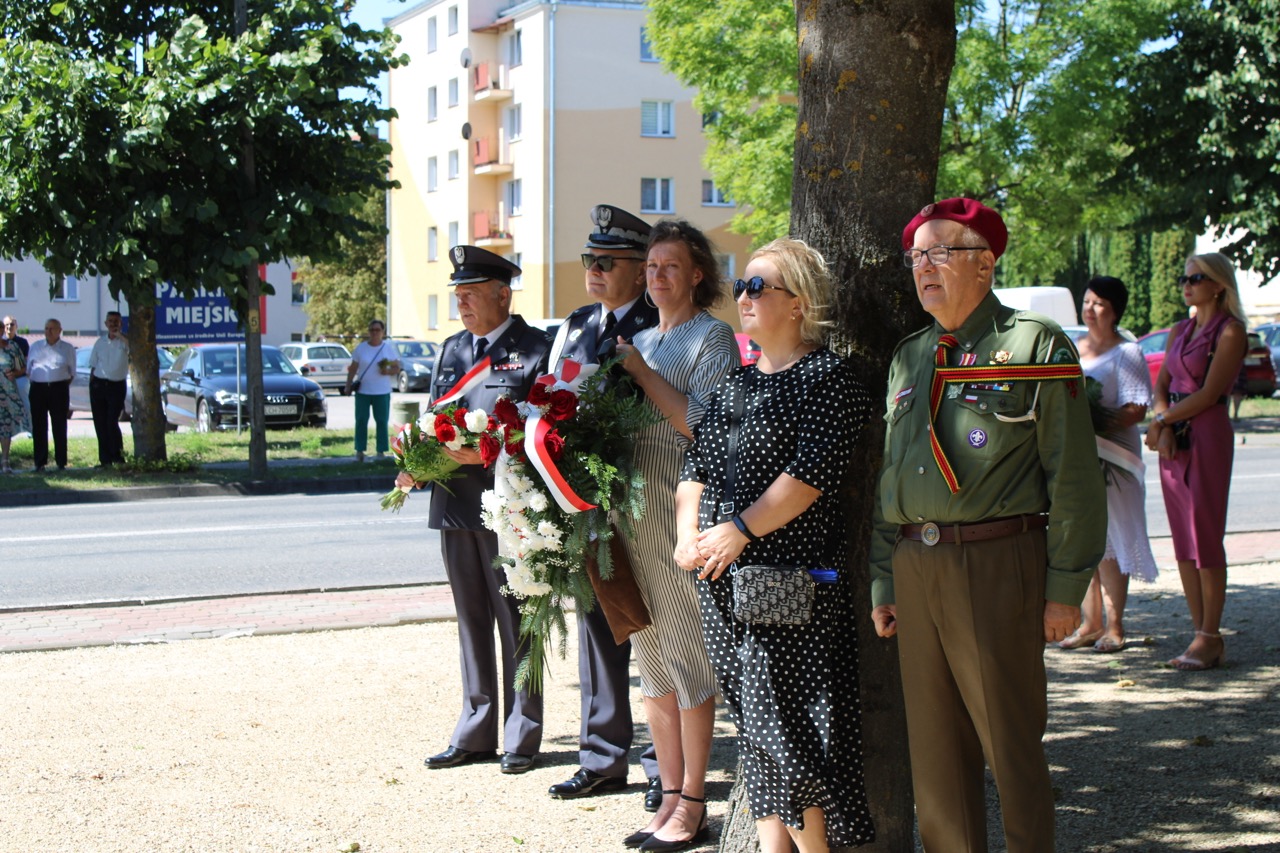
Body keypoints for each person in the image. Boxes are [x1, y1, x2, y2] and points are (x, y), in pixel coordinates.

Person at [870, 198, 1106, 852]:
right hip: (918, 565)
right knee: (937, 759)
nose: (924, 267)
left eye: (941, 252)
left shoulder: (1032, 342)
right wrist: (884, 579)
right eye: (917, 255)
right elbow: (895, 478)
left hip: (999, 560)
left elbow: (1074, 475)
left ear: (986, 262)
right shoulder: (911, 356)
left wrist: (1065, 586)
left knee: (1010, 745)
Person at [675, 238, 876, 852]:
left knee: (788, 730)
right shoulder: (732, 385)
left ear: (800, 303)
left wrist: (737, 531)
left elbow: (808, 480)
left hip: (789, 586)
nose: (744, 297)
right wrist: (688, 538)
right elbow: (694, 472)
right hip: (720, 581)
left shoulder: (830, 380)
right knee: (754, 727)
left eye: (759, 287)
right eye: (741, 286)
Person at [397, 245, 551, 774]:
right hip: (455, 505)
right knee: (471, 621)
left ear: (502, 294)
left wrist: (489, 451)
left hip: (508, 505)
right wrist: (415, 460)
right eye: (457, 294)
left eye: (470, 294)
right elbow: (438, 415)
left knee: (516, 622)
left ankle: (522, 734)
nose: (461, 303)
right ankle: (476, 728)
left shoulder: (535, 348)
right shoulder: (452, 349)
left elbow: (544, 430)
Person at [613, 219, 739, 851]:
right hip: (634, 518)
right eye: (651, 266)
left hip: (681, 516)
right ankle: (666, 795)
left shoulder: (711, 338)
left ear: (697, 275)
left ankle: (695, 800)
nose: (657, 275)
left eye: (670, 266)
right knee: (653, 664)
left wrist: (638, 373)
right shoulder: (638, 338)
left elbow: (703, 425)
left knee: (689, 660)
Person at [544, 205, 661, 808]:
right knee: (597, 626)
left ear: (641, 271)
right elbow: (549, 397)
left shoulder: (655, 324)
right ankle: (602, 757)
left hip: (644, 498)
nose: (593, 269)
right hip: (585, 499)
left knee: (657, 633)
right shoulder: (575, 324)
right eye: (590, 258)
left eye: (607, 261)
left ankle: (663, 766)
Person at [1144, 252, 1247, 672]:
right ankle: (1199, 633)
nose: (1187, 284)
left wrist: (1164, 420)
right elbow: (1162, 384)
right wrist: (1162, 421)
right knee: (1182, 540)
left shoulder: (1231, 331)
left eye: (1197, 278)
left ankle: (1211, 634)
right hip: (1175, 436)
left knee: (1205, 534)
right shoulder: (1180, 330)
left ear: (1219, 284)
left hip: (1206, 433)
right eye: (1185, 277)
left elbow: (1208, 394)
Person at [1057, 278, 1159, 654]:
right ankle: (1090, 622)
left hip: (1115, 459)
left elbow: (1136, 408)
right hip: (1079, 459)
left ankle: (1114, 627)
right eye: (1086, 301)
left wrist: (1094, 421)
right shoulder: (1072, 348)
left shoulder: (1127, 352)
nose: (1090, 308)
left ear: (1115, 310)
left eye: (1099, 303)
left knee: (1112, 541)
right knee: (1085, 541)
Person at [27, 318, 77, 473]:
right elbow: (29, 369)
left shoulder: (67, 348)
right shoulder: (36, 347)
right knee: (39, 426)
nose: (48, 331)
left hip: (59, 389)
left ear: (59, 330)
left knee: (59, 425)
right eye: (46, 328)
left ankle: (61, 461)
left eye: (52, 328)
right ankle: (40, 461)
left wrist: (58, 385)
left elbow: (72, 372)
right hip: (38, 389)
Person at [345, 319, 396, 462]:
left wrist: (387, 371)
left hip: (382, 391)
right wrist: (348, 385)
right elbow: (353, 368)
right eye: (372, 330)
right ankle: (359, 451)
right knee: (361, 420)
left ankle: (381, 452)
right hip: (363, 391)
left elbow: (397, 367)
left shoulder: (387, 349)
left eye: (378, 330)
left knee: (381, 421)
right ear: (368, 332)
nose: (375, 333)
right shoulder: (361, 348)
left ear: (383, 332)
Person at [88, 310, 130, 467]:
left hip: (116, 385)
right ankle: (104, 460)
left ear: (121, 323)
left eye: (116, 321)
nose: (113, 324)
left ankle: (117, 457)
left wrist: (120, 335)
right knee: (100, 423)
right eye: (110, 321)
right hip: (99, 384)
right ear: (105, 324)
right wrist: (91, 385)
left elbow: (133, 348)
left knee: (112, 421)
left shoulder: (125, 341)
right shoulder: (100, 342)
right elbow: (93, 365)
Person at [0, 328, 29, 473]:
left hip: (7, 394)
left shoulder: (12, 347)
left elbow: (23, 368)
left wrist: (14, 374)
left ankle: (5, 462)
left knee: (5, 428)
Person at [2, 316, 31, 434]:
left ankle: (30, 430)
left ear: (16, 327)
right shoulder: (1, 342)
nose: (9, 327)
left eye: (12, 324)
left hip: (19, 378)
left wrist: (15, 373)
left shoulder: (22, 343)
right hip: (3, 380)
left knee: (25, 403)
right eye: (6, 325)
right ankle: (10, 432)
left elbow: (27, 363)